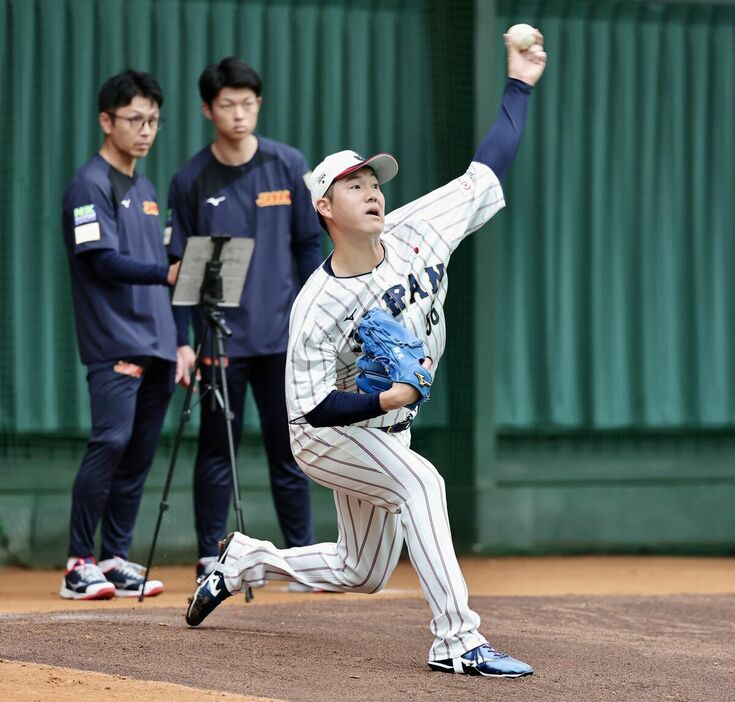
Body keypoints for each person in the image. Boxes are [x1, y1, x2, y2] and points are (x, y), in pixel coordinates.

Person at [185, 31, 547, 677]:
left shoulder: (418, 228)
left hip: (388, 426)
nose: (372, 189)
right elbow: (314, 408)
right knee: (422, 484)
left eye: (373, 180)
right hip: (324, 431)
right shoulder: (315, 305)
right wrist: (386, 396)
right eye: (353, 184)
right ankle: (456, 641)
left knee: (363, 572)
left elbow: (487, 167)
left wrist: (518, 82)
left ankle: (246, 558)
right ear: (324, 207)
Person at [166, 58, 323, 582]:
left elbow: (307, 245)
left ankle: (301, 556)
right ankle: (214, 555)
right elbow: (185, 269)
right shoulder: (190, 179)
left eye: (248, 103)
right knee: (216, 449)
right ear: (208, 109)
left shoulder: (287, 165)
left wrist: (310, 316)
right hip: (220, 344)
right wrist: (185, 341)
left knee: (291, 449)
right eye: (228, 104)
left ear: (259, 105)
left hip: (281, 341)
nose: (239, 114)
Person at [60, 70, 180, 600]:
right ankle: (77, 563)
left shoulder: (147, 188)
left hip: (157, 342)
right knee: (110, 442)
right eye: (135, 119)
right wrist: (167, 273)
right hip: (114, 341)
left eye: (153, 120)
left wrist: (178, 340)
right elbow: (101, 259)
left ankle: (114, 559)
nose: (146, 130)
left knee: (137, 453)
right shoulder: (89, 184)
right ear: (106, 121)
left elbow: (157, 268)